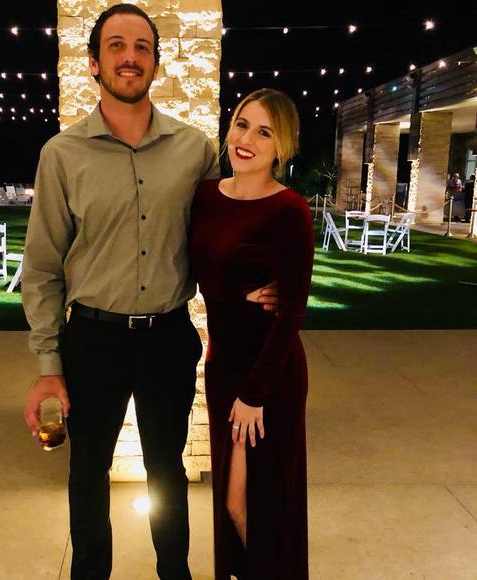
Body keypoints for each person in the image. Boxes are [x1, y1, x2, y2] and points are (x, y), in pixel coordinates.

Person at [21, 5, 277, 579]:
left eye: (141, 47)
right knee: (87, 473)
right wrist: (47, 364)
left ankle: (174, 573)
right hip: (92, 339)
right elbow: (41, 269)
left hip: (168, 337)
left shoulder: (195, 150)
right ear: (94, 62)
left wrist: (263, 278)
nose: (129, 57)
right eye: (116, 45)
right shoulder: (61, 155)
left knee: (167, 470)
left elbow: (222, 236)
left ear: (156, 64)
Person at [189, 88, 314, 579]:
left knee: (255, 503)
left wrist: (255, 394)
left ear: (282, 147)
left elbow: (292, 313)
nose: (247, 139)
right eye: (242, 124)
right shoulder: (206, 196)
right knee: (229, 500)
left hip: (268, 376)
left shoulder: (288, 210)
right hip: (223, 366)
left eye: (265, 132)